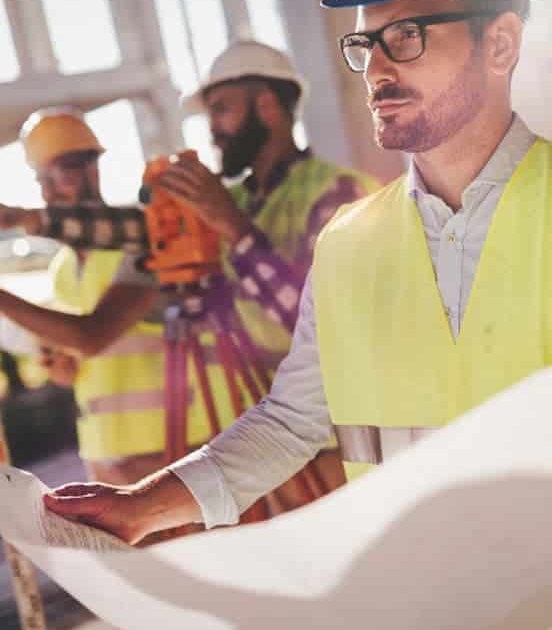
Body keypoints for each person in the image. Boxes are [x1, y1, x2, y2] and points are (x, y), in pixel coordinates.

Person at [43, 0, 552, 630]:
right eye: (365, 43)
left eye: (407, 36)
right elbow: (293, 419)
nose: (376, 70)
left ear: (499, 43)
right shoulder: (348, 244)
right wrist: (144, 507)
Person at [0, 43, 378, 519]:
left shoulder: (337, 193)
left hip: (325, 439)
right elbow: (130, 229)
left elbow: (321, 325)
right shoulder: (233, 196)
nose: (213, 128)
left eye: (221, 109)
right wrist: (28, 220)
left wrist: (233, 228)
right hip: (253, 442)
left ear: (267, 105)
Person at [16, 108, 167, 485]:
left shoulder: (141, 240)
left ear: (92, 168)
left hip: (173, 447)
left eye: (61, 174)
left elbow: (92, 335)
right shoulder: (63, 268)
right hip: (104, 457)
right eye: (41, 180)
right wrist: (63, 369)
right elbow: (82, 354)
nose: (50, 192)